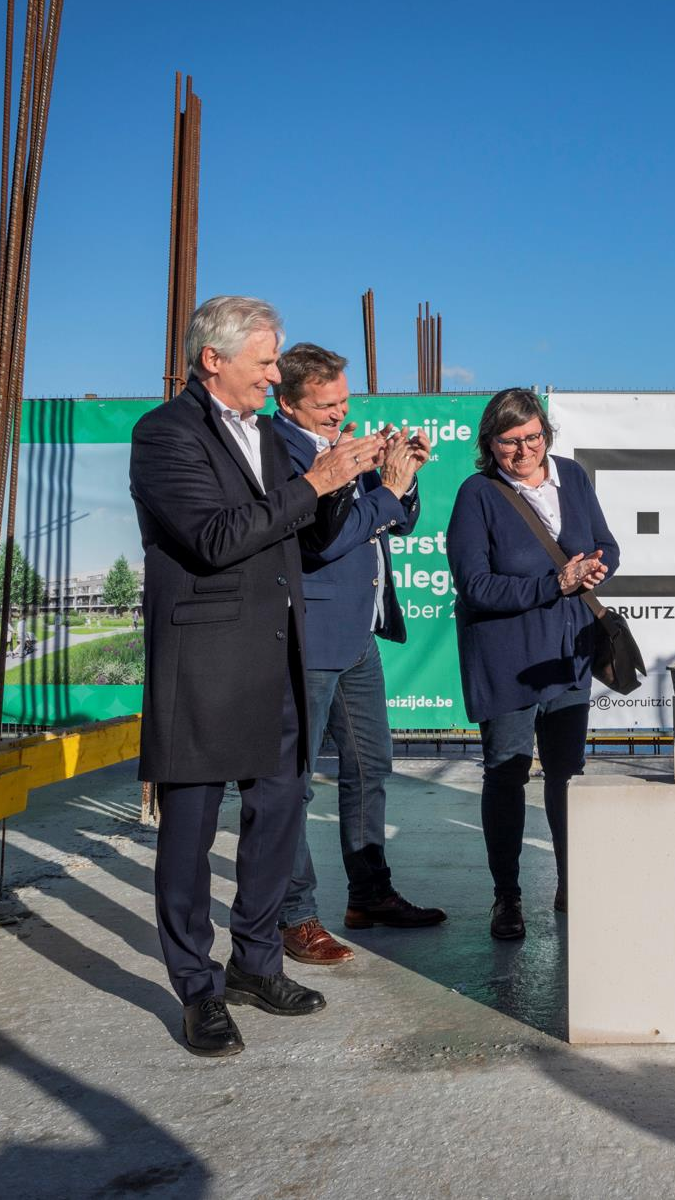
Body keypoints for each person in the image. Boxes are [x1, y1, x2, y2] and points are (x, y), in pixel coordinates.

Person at [129, 294, 372, 1057]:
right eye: (265, 362)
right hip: (205, 662)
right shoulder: (164, 433)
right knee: (191, 833)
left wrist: (352, 479)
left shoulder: (268, 435)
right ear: (214, 358)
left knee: (279, 816)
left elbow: (307, 536)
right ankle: (198, 989)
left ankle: (257, 963)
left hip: (276, 652)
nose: (274, 375)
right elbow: (213, 536)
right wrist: (314, 483)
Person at [268, 342, 446, 967]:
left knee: (372, 766)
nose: (339, 413)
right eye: (325, 405)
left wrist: (403, 475)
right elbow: (323, 541)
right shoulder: (278, 452)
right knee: (291, 784)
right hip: (309, 636)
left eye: (344, 401)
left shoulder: (340, 444)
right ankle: (294, 915)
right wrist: (386, 489)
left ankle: (370, 894)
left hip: (357, 635)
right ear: (287, 402)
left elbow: (397, 521)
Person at [446, 388, 621, 942]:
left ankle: (572, 882)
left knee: (566, 773)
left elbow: (606, 544)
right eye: (509, 441)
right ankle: (508, 897)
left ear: (546, 434)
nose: (524, 451)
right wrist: (555, 583)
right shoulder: (477, 494)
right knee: (507, 772)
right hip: (506, 657)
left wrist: (596, 567)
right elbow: (475, 585)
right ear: (489, 443)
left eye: (533, 438)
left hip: (567, 653)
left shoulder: (572, 477)